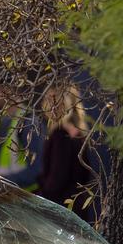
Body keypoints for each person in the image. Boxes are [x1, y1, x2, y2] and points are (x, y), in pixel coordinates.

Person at [37, 85, 94, 221]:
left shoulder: (61, 135)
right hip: (77, 210)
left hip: (59, 212)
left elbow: (56, 181)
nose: (47, 105)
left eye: (53, 100)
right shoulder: (79, 133)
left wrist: (37, 197)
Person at [0, 94, 45, 192]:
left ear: (8, 89)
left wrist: (1, 180)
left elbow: (37, 170)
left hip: (23, 196)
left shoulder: (29, 123)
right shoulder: (2, 121)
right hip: (4, 192)